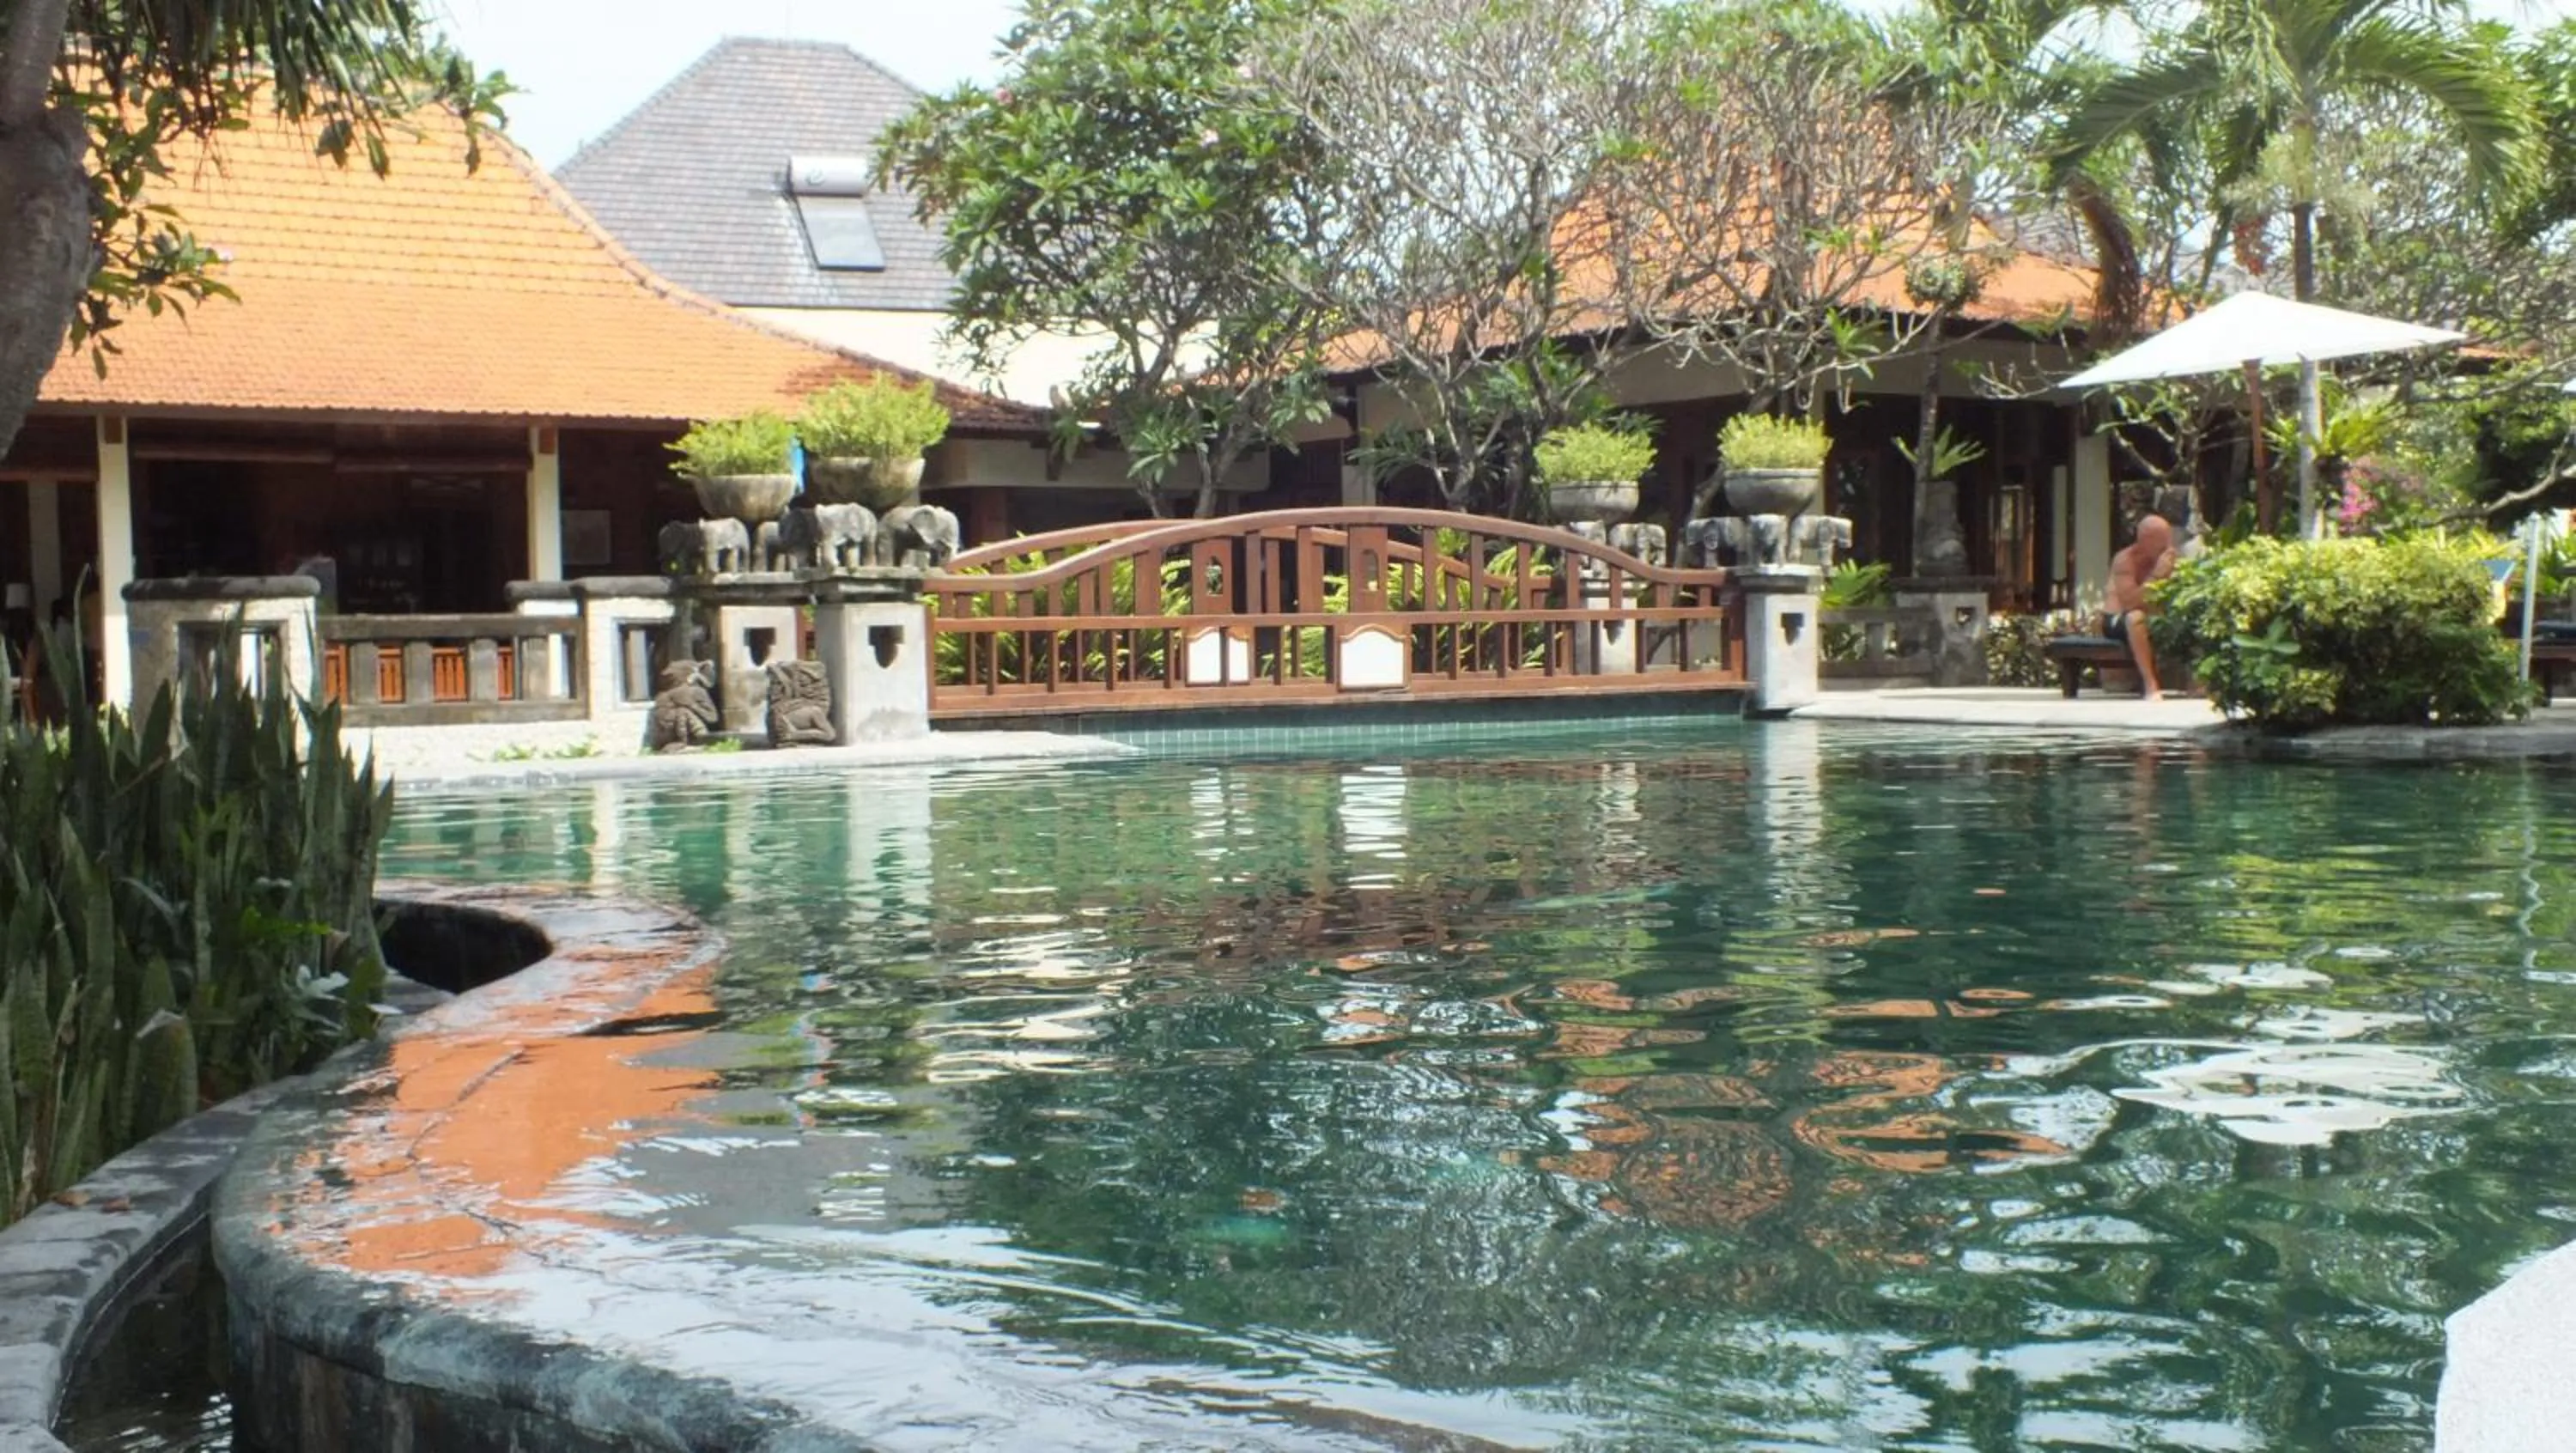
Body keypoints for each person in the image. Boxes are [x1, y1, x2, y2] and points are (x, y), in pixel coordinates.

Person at [2104, 513, 2179, 700]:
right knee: (2135, 617)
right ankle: (2150, 683)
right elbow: (2130, 603)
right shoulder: (2125, 560)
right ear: (2144, 541)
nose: (2167, 547)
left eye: (2168, 540)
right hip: (2118, 619)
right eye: (2161, 542)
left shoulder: (2169, 557)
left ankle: (2199, 684)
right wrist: (2156, 576)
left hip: (2155, 615)